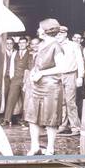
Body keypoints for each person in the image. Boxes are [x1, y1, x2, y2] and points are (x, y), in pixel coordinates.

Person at [24, 18, 66, 155]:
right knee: (32, 117)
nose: (38, 29)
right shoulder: (41, 44)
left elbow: (61, 68)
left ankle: (50, 149)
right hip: (37, 86)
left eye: (40, 27)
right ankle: (35, 146)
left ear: (46, 30)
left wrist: (41, 73)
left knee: (50, 119)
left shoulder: (56, 46)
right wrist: (33, 74)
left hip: (51, 87)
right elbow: (38, 65)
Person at [56, 24, 83, 136]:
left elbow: (80, 61)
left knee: (70, 102)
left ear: (65, 34)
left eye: (60, 34)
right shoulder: (55, 45)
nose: (58, 36)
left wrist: (80, 76)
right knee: (61, 102)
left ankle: (76, 127)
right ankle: (63, 125)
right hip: (58, 76)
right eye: (56, 34)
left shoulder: (73, 45)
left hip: (71, 75)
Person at [0, 36, 29, 126]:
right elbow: (12, 65)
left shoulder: (29, 53)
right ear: (18, 44)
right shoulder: (15, 53)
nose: (22, 44)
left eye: (23, 42)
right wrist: (12, 76)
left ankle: (25, 119)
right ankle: (6, 119)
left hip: (25, 79)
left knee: (25, 100)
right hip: (15, 78)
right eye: (20, 43)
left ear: (27, 44)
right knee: (11, 98)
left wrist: (27, 80)